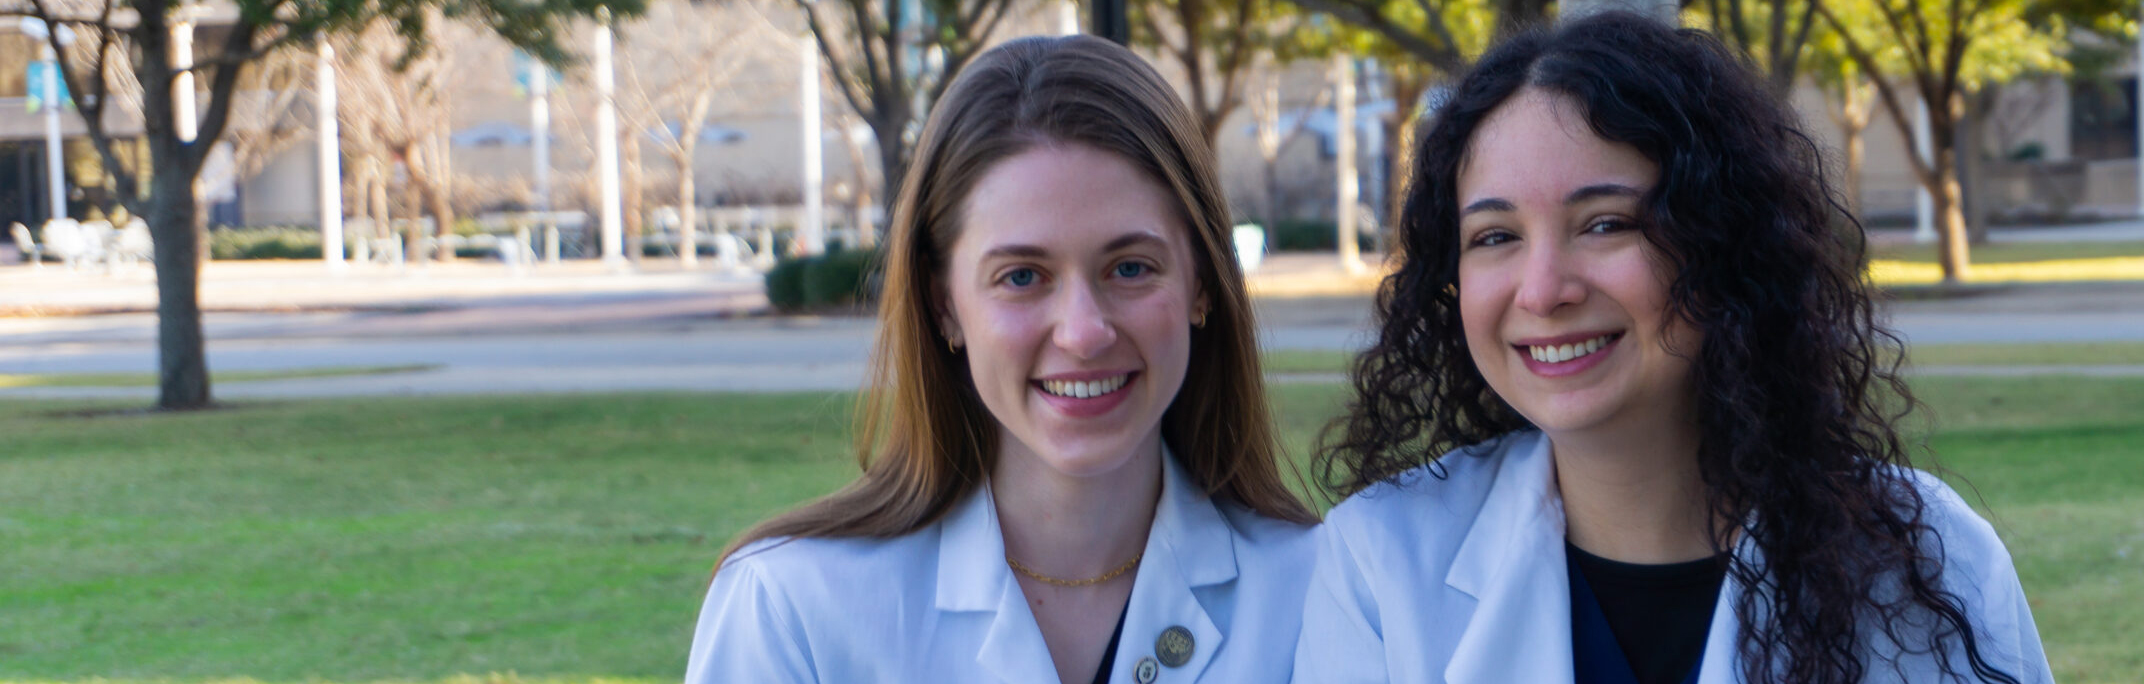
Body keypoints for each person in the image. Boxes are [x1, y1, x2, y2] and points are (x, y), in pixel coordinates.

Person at [1292, 12, 2053, 684]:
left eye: (1605, 224)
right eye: (1495, 237)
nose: (1542, 289)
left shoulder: (1932, 560)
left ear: (1723, 244)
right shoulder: (1378, 566)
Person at [686, 35, 1317, 684]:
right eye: (1021, 276)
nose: (1083, 332)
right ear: (944, 306)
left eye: (1130, 267)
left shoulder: (1321, 593)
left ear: (1203, 284)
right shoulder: (791, 608)